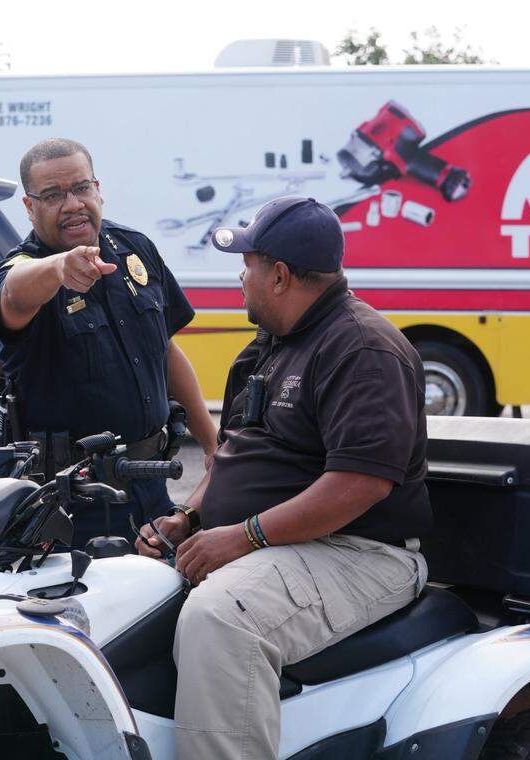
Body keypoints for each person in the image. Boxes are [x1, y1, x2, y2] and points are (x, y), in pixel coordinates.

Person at [136, 196, 433, 760]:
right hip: (278, 543)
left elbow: (360, 483)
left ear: (278, 275)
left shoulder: (363, 349)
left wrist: (243, 535)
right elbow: (231, 457)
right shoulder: (267, 348)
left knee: (221, 618)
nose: (239, 278)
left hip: (361, 551)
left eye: (246, 264)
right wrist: (187, 519)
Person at [0, 137, 216, 548]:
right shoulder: (26, 267)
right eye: (54, 195)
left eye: (80, 188)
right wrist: (59, 267)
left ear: (98, 189)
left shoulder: (135, 248)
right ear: (30, 207)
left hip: (152, 485)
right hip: (72, 501)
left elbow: (164, 349)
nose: (72, 203)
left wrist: (212, 441)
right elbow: (12, 295)